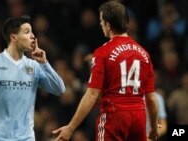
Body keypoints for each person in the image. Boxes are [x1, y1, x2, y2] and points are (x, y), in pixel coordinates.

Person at [53, 1, 159, 141]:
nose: (101, 25)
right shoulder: (144, 54)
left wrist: (71, 127)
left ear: (108, 25)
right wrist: (152, 127)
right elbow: (151, 98)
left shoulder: (102, 53)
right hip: (139, 116)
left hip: (114, 116)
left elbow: (92, 95)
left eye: (101, 21)